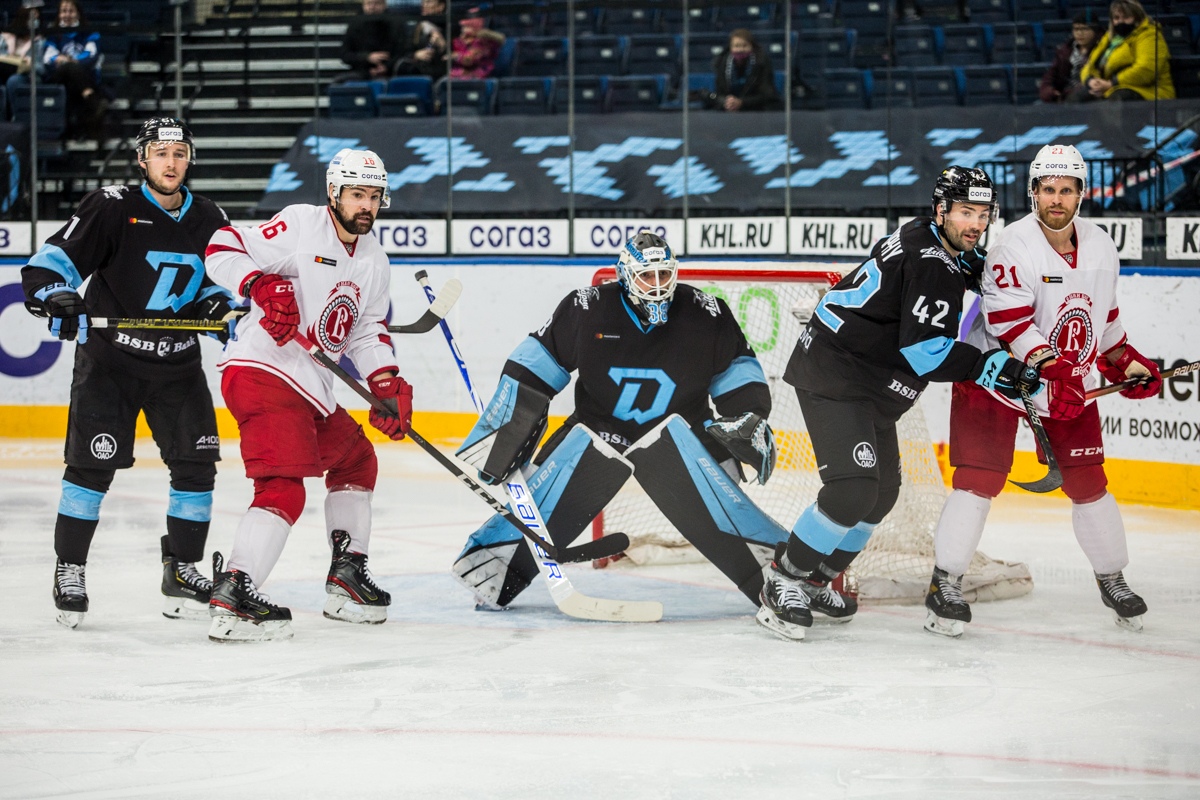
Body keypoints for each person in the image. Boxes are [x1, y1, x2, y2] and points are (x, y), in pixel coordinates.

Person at [758, 167, 1043, 642]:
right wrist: (997, 367)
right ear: (941, 211)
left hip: (869, 380)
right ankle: (784, 578)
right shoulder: (932, 261)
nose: (975, 223)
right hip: (837, 374)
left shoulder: (934, 242)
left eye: (982, 214)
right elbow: (925, 352)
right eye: (965, 212)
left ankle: (813, 579)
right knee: (851, 489)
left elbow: (961, 273)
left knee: (881, 493)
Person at [451, 231, 789, 616]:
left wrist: (748, 418)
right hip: (599, 429)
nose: (658, 286)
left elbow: (738, 372)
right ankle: (492, 569)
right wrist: (507, 433)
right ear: (625, 276)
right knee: (540, 495)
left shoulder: (706, 312)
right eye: (648, 276)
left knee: (730, 508)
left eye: (665, 275)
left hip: (687, 434)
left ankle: (783, 578)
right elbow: (534, 367)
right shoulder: (587, 307)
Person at [925, 144, 1162, 637]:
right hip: (995, 377)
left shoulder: (1101, 246)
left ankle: (1113, 579)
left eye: (1067, 190)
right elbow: (1009, 322)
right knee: (978, 479)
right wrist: (1058, 372)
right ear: (1034, 192)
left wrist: (1126, 361)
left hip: (1064, 380)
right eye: (1048, 189)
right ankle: (945, 582)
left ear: (1081, 194)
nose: (1057, 198)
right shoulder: (1014, 244)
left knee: (1087, 480)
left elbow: (1105, 319)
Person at [20, 117, 236, 630]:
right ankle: (69, 568)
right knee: (92, 470)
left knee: (195, 468)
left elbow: (219, 284)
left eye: (180, 153)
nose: (171, 162)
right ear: (142, 159)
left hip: (178, 364)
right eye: (160, 153)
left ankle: (182, 571)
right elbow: (51, 263)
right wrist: (57, 295)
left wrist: (219, 308)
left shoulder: (209, 215)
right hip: (111, 363)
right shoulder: (111, 206)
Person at [202, 148, 412, 643]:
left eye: (374, 196)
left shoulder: (375, 261)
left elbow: (364, 331)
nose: (367, 205)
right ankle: (236, 591)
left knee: (357, 460)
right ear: (334, 192)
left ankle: (347, 577)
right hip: (264, 370)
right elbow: (221, 247)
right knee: (282, 486)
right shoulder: (300, 225)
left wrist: (384, 380)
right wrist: (257, 284)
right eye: (357, 194)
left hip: (310, 386)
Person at [1077, 0, 1174, 102]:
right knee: (1078, 97)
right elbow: (1089, 65)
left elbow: (1146, 69)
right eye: (1116, 18)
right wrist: (1090, 81)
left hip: (1148, 91)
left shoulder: (1150, 35)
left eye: (1126, 17)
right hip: (1110, 88)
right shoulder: (1109, 37)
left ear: (1137, 17)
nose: (1120, 21)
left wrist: (1112, 83)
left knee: (1118, 98)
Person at [41, 0, 106, 139]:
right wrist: (66, 62)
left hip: (81, 75)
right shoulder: (53, 33)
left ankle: (73, 131)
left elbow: (92, 54)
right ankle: (92, 99)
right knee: (69, 69)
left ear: (78, 13)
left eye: (71, 11)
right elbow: (48, 58)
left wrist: (68, 60)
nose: (67, 14)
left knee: (72, 81)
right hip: (58, 75)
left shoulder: (89, 32)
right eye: (64, 11)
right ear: (59, 14)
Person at [707, 29, 781, 112]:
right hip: (729, 111)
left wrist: (742, 102)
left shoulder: (762, 62)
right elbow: (720, 92)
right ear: (730, 48)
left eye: (745, 45)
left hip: (757, 111)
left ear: (752, 47)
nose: (740, 49)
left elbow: (767, 95)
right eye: (737, 46)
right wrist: (728, 102)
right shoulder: (721, 63)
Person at [1039, 12, 1104, 103]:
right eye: (1076, 29)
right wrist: (1049, 91)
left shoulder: (1103, 49)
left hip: (1088, 98)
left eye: (1085, 29)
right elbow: (1050, 76)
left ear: (1095, 30)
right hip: (1064, 96)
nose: (1079, 33)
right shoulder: (1065, 51)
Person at [336, 0, 405, 83]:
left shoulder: (396, 24)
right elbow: (345, 54)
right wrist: (367, 57)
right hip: (362, 72)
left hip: (391, 72)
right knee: (338, 82)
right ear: (363, 6)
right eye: (368, 4)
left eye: (376, 3)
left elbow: (402, 52)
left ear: (384, 5)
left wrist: (387, 66)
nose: (372, 7)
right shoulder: (355, 25)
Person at [448, 10, 503, 80]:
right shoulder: (460, 40)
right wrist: (460, 43)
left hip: (480, 72)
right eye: (463, 27)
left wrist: (456, 56)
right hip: (461, 72)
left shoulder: (484, 41)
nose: (463, 30)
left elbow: (470, 60)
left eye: (467, 27)